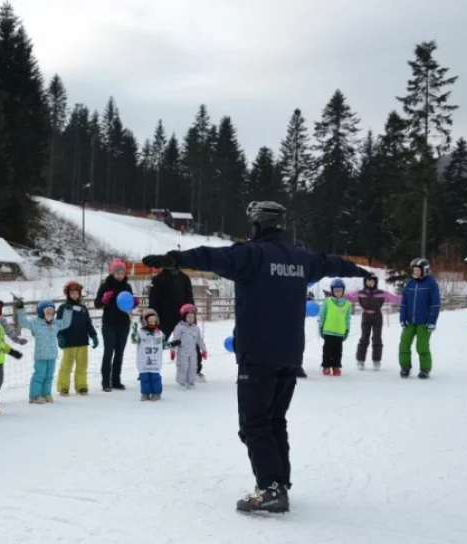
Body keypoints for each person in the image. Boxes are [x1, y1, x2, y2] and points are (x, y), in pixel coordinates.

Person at [142, 201, 371, 513]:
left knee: (254, 423)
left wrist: (176, 258)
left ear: (256, 224)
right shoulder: (300, 258)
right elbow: (329, 262)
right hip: (290, 354)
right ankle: (279, 482)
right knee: (274, 419)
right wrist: (355, 269)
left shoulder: (251, 254)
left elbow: (211, 256)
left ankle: (271, 487)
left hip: (258, 354)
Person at [15, 297, 72, 403]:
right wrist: (20, 308)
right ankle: (35, 396)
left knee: (49, 376)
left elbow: (66, 323)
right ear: (41, 312)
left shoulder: (56, 323)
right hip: (40, 356)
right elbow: (23, 322)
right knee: (39, 376)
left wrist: (68, 310)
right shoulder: (36, 323)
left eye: (52, 311)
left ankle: (46, 394)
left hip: (52, 355)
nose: (50, 313)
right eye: (47, 311)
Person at [94, 259, 137, 391]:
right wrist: (104, 299)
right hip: (109, 324)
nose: (120, 274)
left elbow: (129, 306)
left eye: (122, 272)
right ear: (113, 272)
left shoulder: (127, 287)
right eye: (117, 272)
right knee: (108, 352)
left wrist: (134, 303)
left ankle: (116, 381)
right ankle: (105, 382)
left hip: (124, 324)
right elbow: (97, 304)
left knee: (120, 353)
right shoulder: (105, 286)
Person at [398, 258, 440, 379]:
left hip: (424, 322)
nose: (415, 272)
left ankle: (425, 369)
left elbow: (435, 304)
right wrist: (402, 318)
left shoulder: (431, 284)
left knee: (422, 346)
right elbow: (404, 303)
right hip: (410, 321)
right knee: (404, 343)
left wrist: (432, 321)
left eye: (418, 270)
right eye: (414, 270)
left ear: (425, 271)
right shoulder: (410, 283)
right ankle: (405, 367)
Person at [56, 280, 98, 396]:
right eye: (72, 292)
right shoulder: (63, 308)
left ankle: (81, 386)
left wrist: (93, 335)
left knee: (82, 366)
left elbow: (88, 323)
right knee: (66, 366)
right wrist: (60, 336)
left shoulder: (83, 308)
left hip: (83, 341)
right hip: (69, 341)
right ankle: (63, 387)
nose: (74, 294)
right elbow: (59, 324)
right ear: (67, 293)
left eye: (76, 292)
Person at [131, 308, 169, 401]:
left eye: (154, 320)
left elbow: (163, 345)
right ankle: (145, 393)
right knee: (144, 378)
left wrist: (173, 344)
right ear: (145, 321)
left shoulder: (159, 333)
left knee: (155, 378)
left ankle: (157, 393)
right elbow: (134, 340)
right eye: (150, 320)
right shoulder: (140, 333)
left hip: (155, 361)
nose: (152, 322)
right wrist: (134, 332)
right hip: (143, 361)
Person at [318, 278, 352, 376]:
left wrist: (347, 330)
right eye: (336, 290)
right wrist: (321, 327)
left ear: (343, 291)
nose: (338, 292)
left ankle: (336, 367)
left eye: (340, 290)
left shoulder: (347, 304)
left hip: (339, 332)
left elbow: (347, 319)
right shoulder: (328, 302)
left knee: (338, 351)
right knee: (327, 350)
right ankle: (326, 366)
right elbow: (322, 315)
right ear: (332, 291)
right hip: (328, 331)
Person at [169, 304, 207, 388]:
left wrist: (203, 350)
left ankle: (191, 382)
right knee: (183, 367)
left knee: (193, 367)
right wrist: (172, 351)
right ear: (184, 317)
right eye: (189, 317)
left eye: (193, 317)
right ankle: (181, 383)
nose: (191, 319)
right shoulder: (179, 328)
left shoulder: (196, 328)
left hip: (193, 352)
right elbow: (175, 340)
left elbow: (199, 340)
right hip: (183, 352)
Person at [356, 274, 385, 370]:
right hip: (366, 316)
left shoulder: (381, 293)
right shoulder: (361, 292)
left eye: (372, 281)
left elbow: (393, 298)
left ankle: (376, 361)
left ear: (375, 282)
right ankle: (360, 360)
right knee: (364, 337)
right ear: (365, 282)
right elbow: (350, 296)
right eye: (368, 281)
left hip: (377, 316)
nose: (370, 283)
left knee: (377, 338)